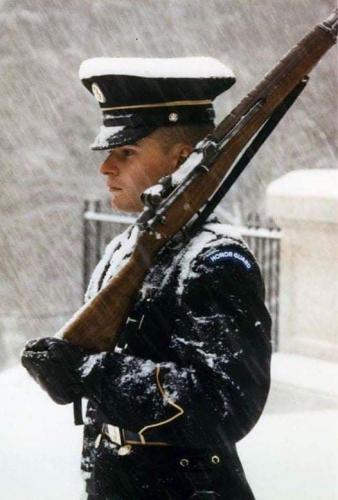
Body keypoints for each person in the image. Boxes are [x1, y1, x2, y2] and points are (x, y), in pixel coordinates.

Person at [21, 57, 272, 500]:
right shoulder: (126, 248)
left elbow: (226, 404)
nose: (106, 168)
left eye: (127, 152)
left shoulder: (214, 261)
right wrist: (64, 365)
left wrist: (89, 372)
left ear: (181, 158)